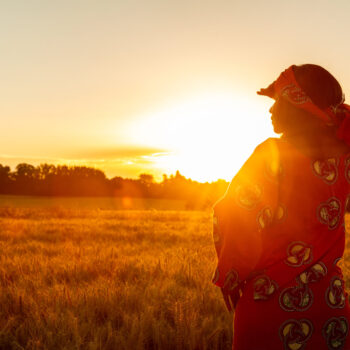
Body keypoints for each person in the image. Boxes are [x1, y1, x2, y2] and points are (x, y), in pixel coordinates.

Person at [212, 64, 350, 349]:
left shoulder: (271, 156)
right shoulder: (345, 160)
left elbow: (236, 218)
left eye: (278, 101)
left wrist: (230, 275)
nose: (271, 110)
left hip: (271, 307)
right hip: (332, 310)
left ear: (301, 107)